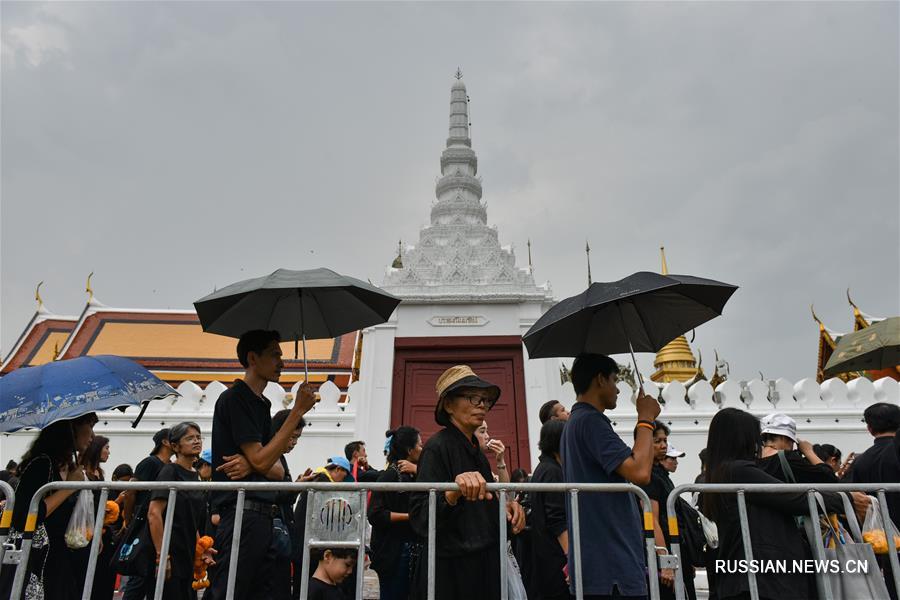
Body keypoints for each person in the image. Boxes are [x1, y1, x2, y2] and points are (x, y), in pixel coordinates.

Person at [205, 329, 317, 600]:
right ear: (253, 358)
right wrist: (297, 411)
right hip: (242, 512)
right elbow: (262, 459)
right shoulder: (235, 398)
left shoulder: (262, 404)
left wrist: (255, 462)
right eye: (275, 354)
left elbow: (277, 469)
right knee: (229, 591)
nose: (282, 362)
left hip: (264, 517)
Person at [702, 407, 850, 600]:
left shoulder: (719, 472)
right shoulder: (739, 470)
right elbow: (793, 496)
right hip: (762, 577)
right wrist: (846, 499)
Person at [408, 365, 526, 600]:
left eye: (484, 400)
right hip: (451, 570)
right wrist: (451, 494)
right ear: (449, 405)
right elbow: (420, 516)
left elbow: (484, 506)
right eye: (472, 397)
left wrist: (507, 509)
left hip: (483, 564)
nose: (482, 405)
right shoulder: (436, 448)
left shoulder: (476, 451)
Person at [561, 353, 659, 600]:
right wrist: (646, 420)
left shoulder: (576, 421)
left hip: (599, 558)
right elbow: (640, 472)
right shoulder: (591, 421)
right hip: (611, 561)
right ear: (600, 380)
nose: (617, 389)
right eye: (615, 381)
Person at [0, 413, 97, 600]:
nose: (92, 435)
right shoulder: (42, 464)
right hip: (39, 562)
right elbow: (23, 517)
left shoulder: (66, 465)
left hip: (58, 559)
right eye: (89, 425)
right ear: (71, 427)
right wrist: (68, 488)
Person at [147, 422, 216, 600]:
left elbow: (192, 520)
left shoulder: (195, 475)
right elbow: (154, 513)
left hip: (187, 553)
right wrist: (162, 556)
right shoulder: (170, 471)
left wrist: (201, 550)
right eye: (190, 438)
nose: (196, 441)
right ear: (175, 446)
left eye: (198, 437)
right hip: (170, 551)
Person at [849, 402, 900, 600]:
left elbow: (859, 500)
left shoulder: (862, 460)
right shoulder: (895, 453)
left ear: (869, 428)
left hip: (882, 536)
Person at [368, 426, 423, 600]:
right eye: (420, 445)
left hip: (409, 547)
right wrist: (409, 517)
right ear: (409, 450)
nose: (422, 449)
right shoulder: (390, 476)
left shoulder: (412, 474)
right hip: (395, 551)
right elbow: (375, 514)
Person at [640, 423, 695, 600]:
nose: (663, 445)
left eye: (665, 440)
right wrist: (665, 562)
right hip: (664, 555)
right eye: (657, 441)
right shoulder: (648, 477)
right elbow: (652, 520)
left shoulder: (660, 474)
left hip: (676, 550)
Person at [121, 428, 174, 600]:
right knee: (140, 575)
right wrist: (128, 519)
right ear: (165, 442)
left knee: (154, 577)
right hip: (145, 523)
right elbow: (131, 492)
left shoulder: (170, 467)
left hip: (159, 524)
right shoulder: (150, 463)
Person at [526, 419, 570, 600]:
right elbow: (557, 519)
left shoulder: (546, 468)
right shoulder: (552, 471)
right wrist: (571, 560)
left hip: (546, 557)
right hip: (555, 560)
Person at [269, 409, 305, 600]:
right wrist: (296, 487)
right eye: (292, 437)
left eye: (297, 438)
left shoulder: (280, 458)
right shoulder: (268, 456)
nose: (294, 443)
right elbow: (270, 494)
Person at [81, 436, 118, 600]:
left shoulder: (99, 473)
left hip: (102, 530)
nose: (109, 452)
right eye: (106, 448)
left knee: (104, 579)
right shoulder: (83, 473)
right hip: (88, 531)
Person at [756, 413, 840, 484]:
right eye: (792, 441)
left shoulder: (753, 458)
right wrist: (809, 452)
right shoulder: (787, 458)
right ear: (784, 437)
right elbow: (830, 478)